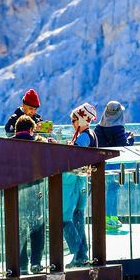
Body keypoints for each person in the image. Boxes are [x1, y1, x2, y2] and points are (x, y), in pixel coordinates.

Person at [62, 104, 98, 265]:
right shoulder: (92, 134)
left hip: (74, 181)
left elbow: (73, 156)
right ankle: (82, 254)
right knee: (78, 215)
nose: (72, 124)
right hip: (83, 180)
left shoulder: (83, 136)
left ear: (81, 119)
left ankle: (79, 252)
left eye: (73, 120)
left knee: (64, 217)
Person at [12, 116, 47, 272]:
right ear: (31, 130)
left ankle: (21, 265)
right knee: (37, 228)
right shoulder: (38, 144)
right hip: (35, 192)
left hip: (15, 194)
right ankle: (35, 263)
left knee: (19, 230)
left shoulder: (7, 144)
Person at [93, 101, 134, 232]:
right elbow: (123, 147)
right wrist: (131, 140)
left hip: (100, 163)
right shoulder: (118, 128)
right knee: (112, 191)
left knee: (102, 192)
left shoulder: (99, 127)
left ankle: (104, 218)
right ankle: (111, 218)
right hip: (114, 164)